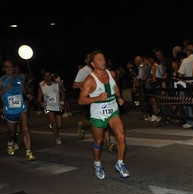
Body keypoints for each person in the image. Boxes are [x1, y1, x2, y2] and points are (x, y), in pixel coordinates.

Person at [78, 50, 129, 180]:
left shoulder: (111, 73)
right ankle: (97, 164)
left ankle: (120, 163)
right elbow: (81, 100)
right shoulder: (90, 80)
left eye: (103, 58)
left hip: (112, 110)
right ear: (93, 64)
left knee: (121, 137)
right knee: (98, 141)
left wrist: (119, 96)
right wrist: (97, 98)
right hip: (98, 113)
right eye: (99, 59)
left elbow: (115, 86)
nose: (103, 61)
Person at [73, 52, 115, 151]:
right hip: (90, 99)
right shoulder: (83, 71)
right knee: (93, 122)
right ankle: (83, 125)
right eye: (88, 58)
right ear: (88, 61)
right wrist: (90, 82)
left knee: (107, 119)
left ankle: (108, 142)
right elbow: (74, 85)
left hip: (104, 99)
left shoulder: (103, 69)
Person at [0, 60, 36, 161]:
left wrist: (27, 95)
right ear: (4, 69)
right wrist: (5, 89)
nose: (10, 68)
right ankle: (10, 142)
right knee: (12, 133)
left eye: (11, 66)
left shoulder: (19, 78)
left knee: (25, 128)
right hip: (10, 111)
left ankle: (29, 152)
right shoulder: (1, 80)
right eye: (7, 67)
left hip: (21, 108)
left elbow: (23, 91)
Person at [37, 70, 66, 145]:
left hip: (57, 106)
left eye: (49, 75)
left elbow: (63, 94)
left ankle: (53, 125)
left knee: (59, 125)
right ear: (43, 77)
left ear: (51, 76)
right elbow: (39, 98)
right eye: (46, 76)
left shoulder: (56, 85)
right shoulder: (42, 87)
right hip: (49, 107)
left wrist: (62, 102)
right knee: (54, 122)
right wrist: (41, 103)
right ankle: (57, 138)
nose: (48, 77)